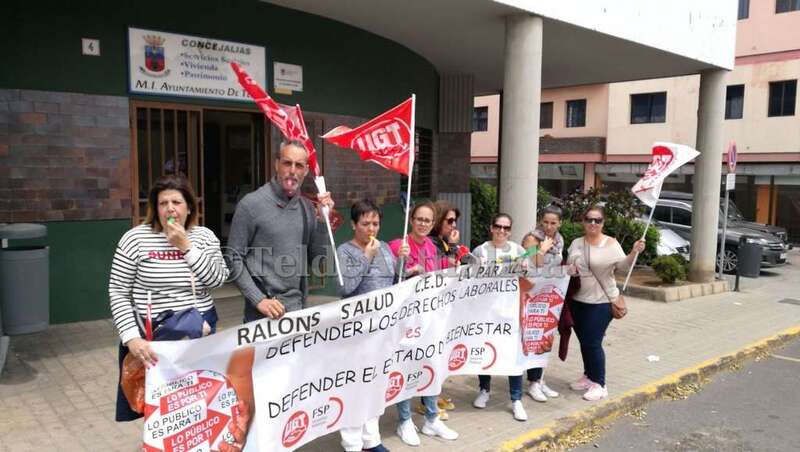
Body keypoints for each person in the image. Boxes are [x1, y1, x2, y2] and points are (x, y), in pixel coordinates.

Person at [109, 175, 230, 421]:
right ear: (155, 208)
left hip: (198, 334)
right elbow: (118, 291)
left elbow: (216, 280)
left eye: (177, 202)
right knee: (157, 407)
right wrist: (131, 338)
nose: (170, 208)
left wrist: (186, 247)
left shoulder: (204, 237)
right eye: (163, 203)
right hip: (153, 338)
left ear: (189, 207)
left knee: (197, 401)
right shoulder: (135, 239)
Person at [227, 139, 334, 321]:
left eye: (299, 165)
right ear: (277, 164)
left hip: (298, 311)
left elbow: (319, 260)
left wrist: (323, 221)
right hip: (262, 314)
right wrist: (258, 299)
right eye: (287, 163)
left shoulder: (307, 208)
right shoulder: (251, 204)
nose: (292, 170)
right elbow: (232, 257)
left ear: (306, 171)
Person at [336, 199, 407, 452]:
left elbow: (393, 282)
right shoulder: (345, 251)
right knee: (355, 386)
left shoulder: (386, 247)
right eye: (365, 223)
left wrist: (402, 263)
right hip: (357, 333)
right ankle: (352, 443)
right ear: (354, 224)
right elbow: (345, 287)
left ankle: (371, 439)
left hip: (383, 330)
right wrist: (366, 257)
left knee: (376, 384)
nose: (371, 229)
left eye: (375, 223)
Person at [388, 201, 459, 445]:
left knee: (432, 364)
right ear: (411, 220)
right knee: (406, 368)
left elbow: (439, 281)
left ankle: (431, 419)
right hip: (406, 322)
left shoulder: (433, 246)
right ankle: (404, 421)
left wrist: (449, 268)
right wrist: (403, 267)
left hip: (430, 320)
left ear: (432, 224)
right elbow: (387, 282)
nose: (423, 224)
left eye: (427, 220)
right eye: (419, 219)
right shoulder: (398, 246)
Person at [566, 205, 645, 401]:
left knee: (593, 342)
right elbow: (568, 266)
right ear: (583, 221)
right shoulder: (576, 243)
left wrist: (634, 252)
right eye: (589, 219)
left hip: (601, 301)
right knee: (584, 341)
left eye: (597, 220)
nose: (593, 223)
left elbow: (623, 267)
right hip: (577, 300)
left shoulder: (610, 244)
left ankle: (600, 384)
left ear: (603, 223)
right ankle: (588, 375)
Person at [471, 213, 529, 421]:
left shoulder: (518, 250)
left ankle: (516, 399)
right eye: (498, 226)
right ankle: (484, 390)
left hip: (510, 312)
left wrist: (524, 270)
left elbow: (528, 279)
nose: (502, 231)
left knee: (512, 356)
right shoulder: (480, 250)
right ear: (491, 227)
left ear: (510, 231)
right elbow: (470, 279)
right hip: (486, 312)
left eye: (506, 228)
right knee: (485, 352)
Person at [520, 205, 564, 403]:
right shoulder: (532, 238)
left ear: (559, 223)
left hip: (549, 296)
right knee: (533, 336)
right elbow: (532, 263)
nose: (548, 226)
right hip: (531, 294)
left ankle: (540, 379)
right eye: (545, 222)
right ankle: (532, 382)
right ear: (540, 221)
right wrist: (542, 250)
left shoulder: (560, 240)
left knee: (547, 336)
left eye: (553, 223)